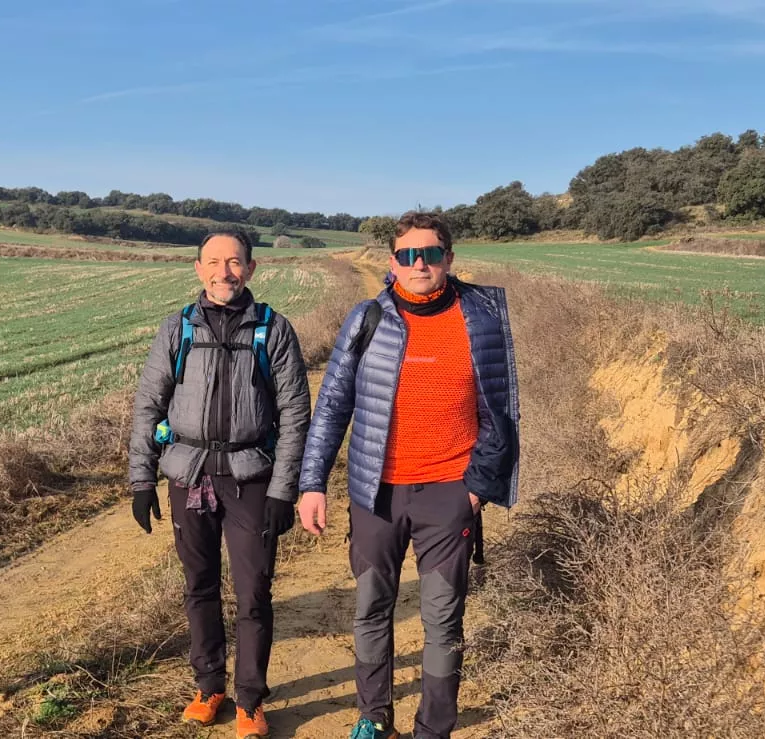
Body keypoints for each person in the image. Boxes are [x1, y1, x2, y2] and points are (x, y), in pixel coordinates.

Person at [298, 212, 520, 739]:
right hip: (376, 494)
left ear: (449, 258)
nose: (420, 264)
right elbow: (332, 406)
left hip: (449, 494)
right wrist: (312, 483)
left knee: (443, 620)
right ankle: (375, 719)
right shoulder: (367, 318)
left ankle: (433, 729)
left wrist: (476, 489)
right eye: (408, 255)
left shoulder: (482, 317)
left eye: (431, 254)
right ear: (393, 262)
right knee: (372, 609)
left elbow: (500, 411)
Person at [129, 226, 311, 738]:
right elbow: (148, 404)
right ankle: (209, 686)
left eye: (234, 262)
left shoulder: (273, 330)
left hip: (251, 478)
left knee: (253, 592)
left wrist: (283, 490)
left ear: (251, 269)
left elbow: (296, 414)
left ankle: (250, 700)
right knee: (199, 586)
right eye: (213, 262)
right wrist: (141, 479)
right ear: (198, 269)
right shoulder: (177, 329)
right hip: (188, 476)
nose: (223, 272)